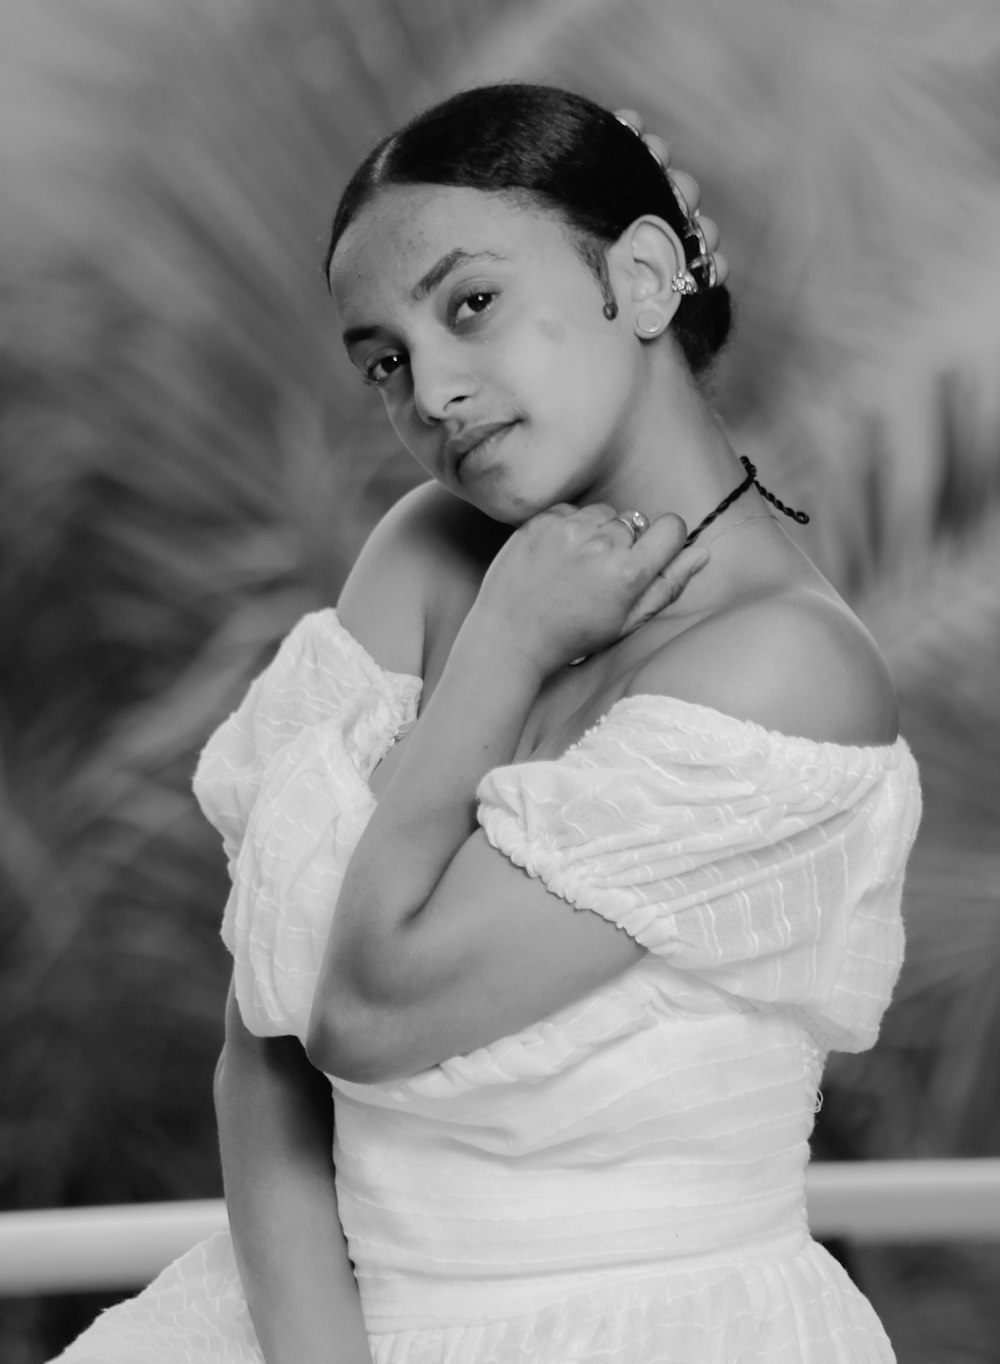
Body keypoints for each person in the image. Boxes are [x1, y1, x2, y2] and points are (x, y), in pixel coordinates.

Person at [55, 82, 921, 1363]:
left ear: (638, 279)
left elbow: (368, 1011)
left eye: (470, 304)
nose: (434, 394)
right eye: (385, 361)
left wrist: (504, 649)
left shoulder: (789, 667)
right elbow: (266, 1058)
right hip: (305, 1324)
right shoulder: (423, 553)